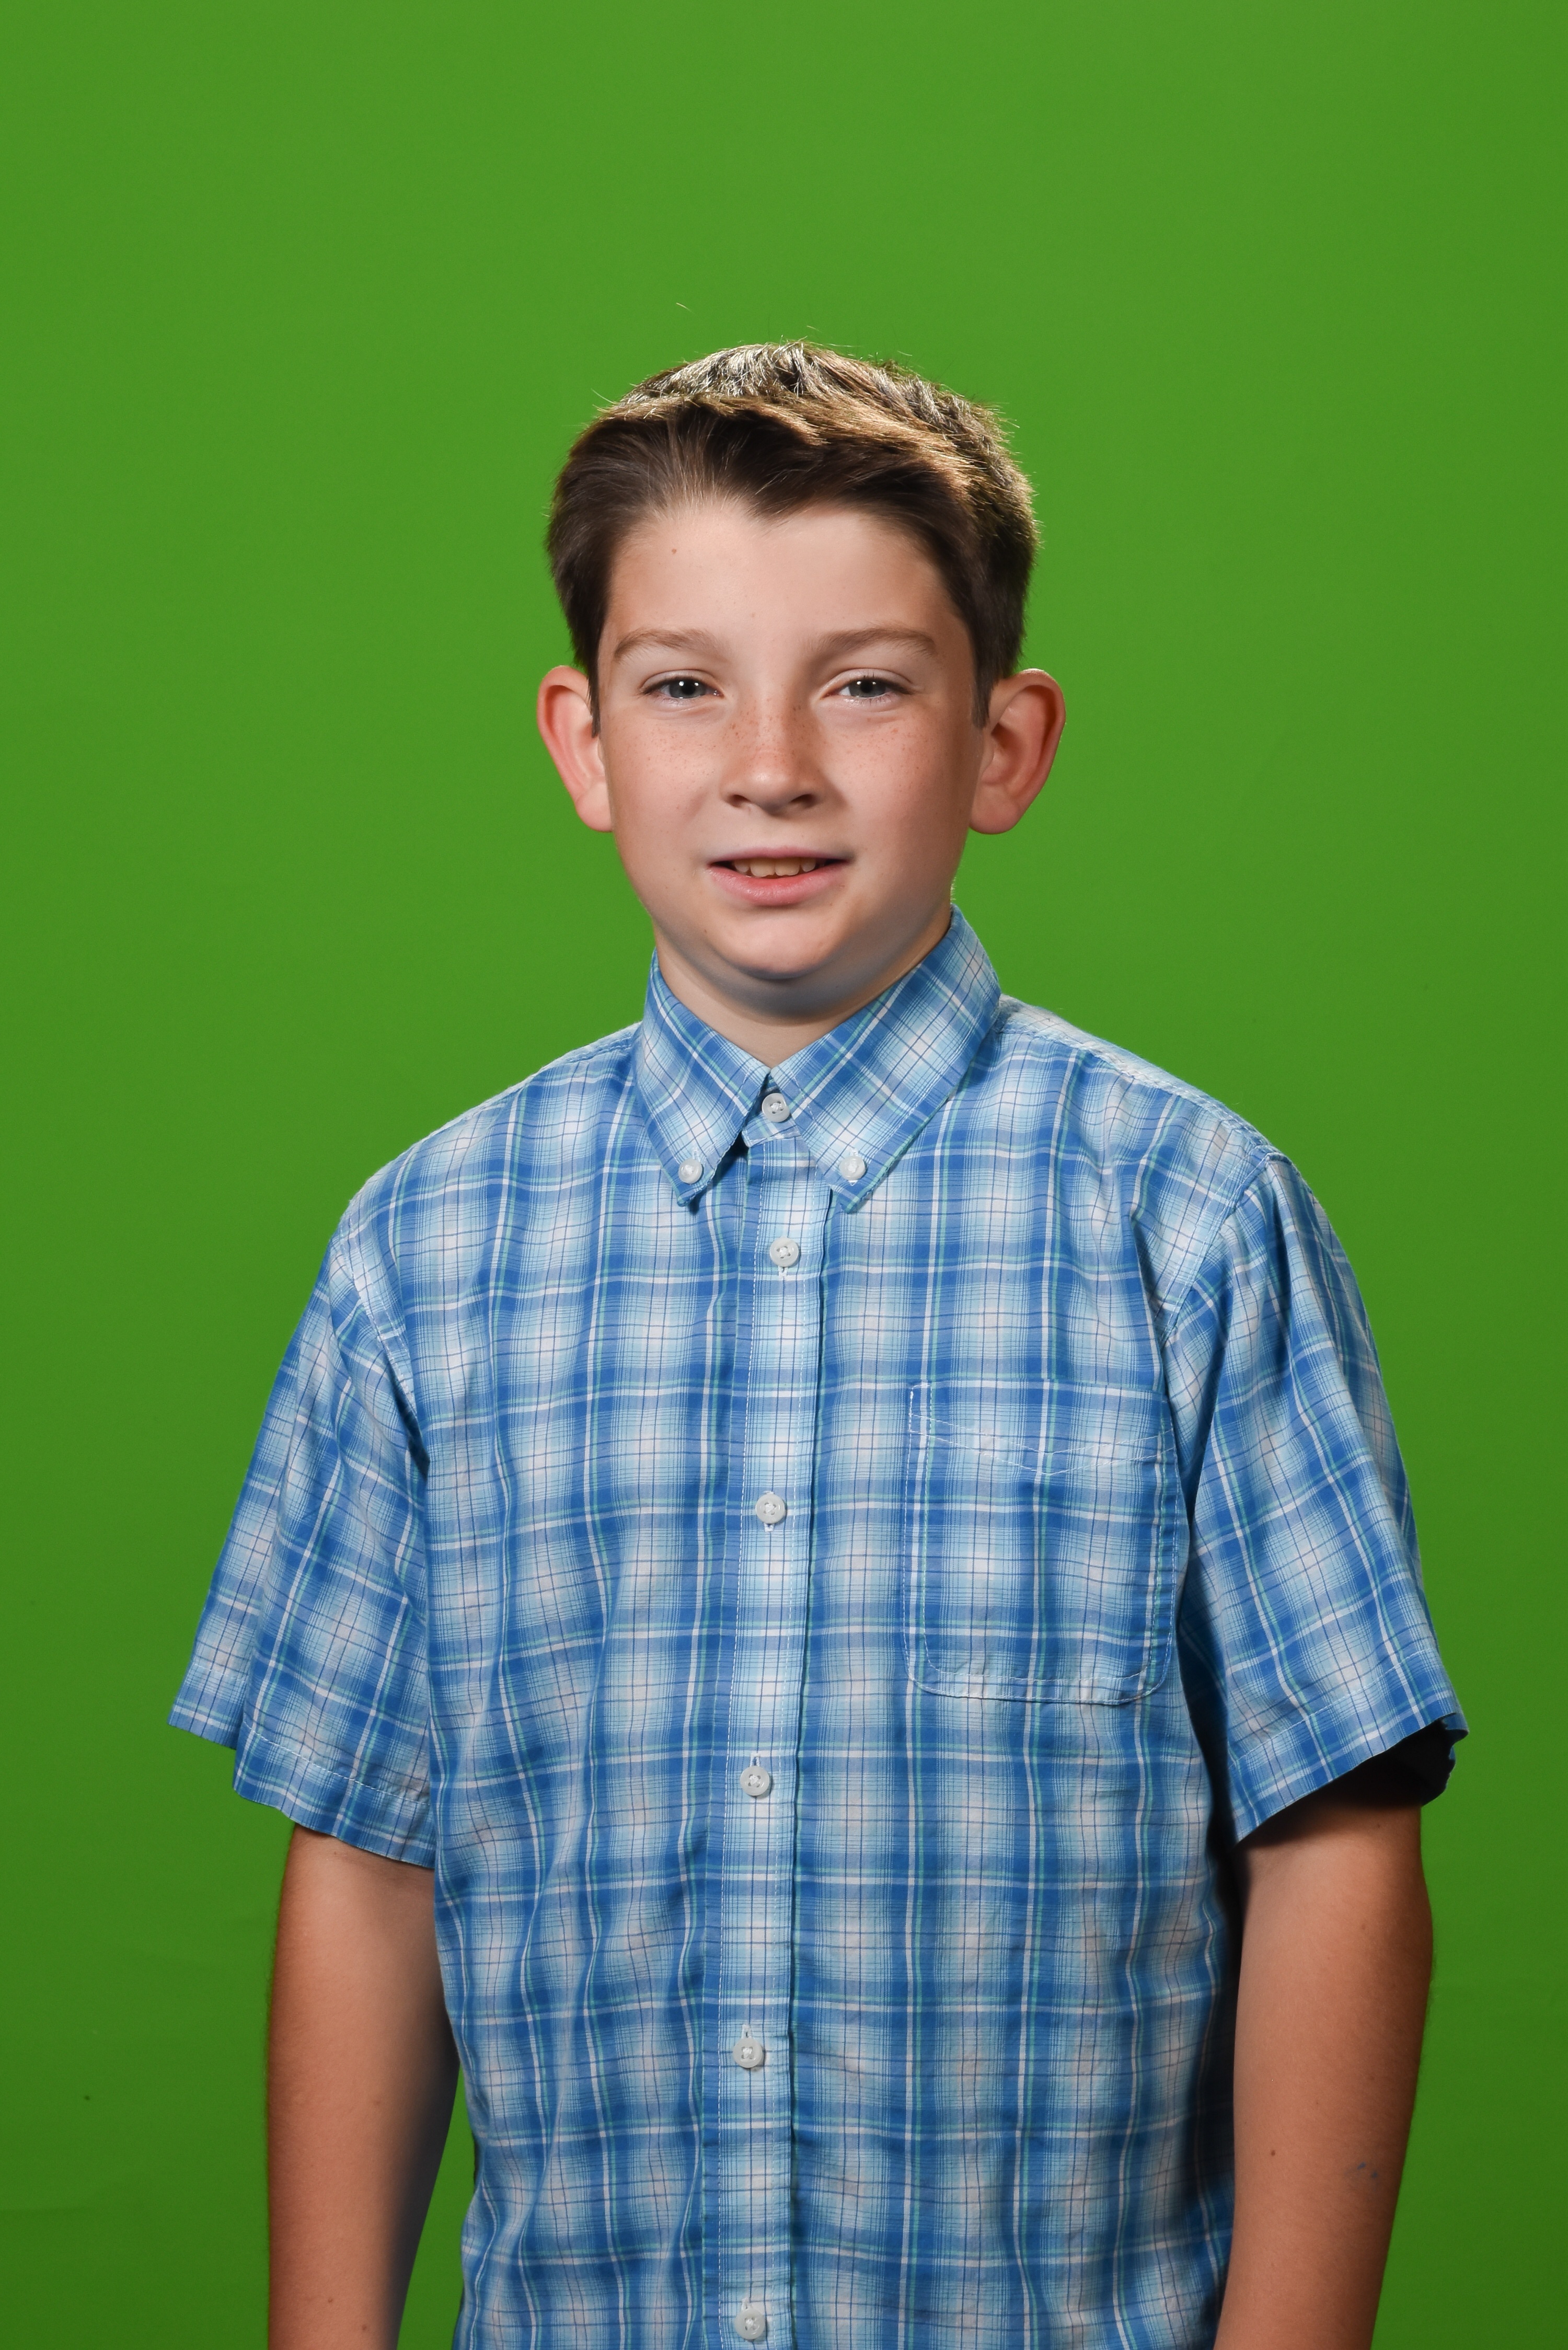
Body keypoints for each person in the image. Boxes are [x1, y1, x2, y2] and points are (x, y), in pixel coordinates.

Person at [171, 343, 1465, 2350]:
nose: (769, 763)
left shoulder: (1193, 1224)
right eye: (684, 685)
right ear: (584, 741)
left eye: (863, 685)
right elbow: (368, 1859)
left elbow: (1336, 1843)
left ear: (1005, 743)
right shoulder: (423, 1254)